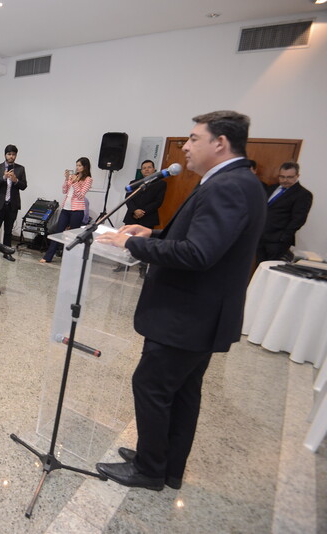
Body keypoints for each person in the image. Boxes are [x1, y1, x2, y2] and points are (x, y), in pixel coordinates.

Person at [94, 110, 266, 491]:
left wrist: (131, 244)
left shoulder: (228, 186)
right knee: (183, 393)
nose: (185, 147)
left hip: (186, 315)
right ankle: (166, 465)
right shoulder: (239, 182)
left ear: (220, 143)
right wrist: (152, 233)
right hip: (201, 315)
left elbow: (198, 254)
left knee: (151, 386)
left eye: (193, 138)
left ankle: (149, 470)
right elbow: (204, 240)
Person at [118, 159, 167, 276]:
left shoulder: (161, 184)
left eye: (149, 167)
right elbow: (128, 198)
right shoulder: (134, 183)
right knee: (126, 239)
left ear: (154, 169)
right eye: (144, 168)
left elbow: (158, 202)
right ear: (141, 171)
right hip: (132, 216)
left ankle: (143, 267)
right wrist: (135, 210)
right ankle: (123, 264)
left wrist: (142, 211)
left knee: (145, 244)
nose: (146, 170)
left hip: (148, 217)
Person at [256, 161, 313, 263]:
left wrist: (283, 238)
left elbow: (298, 219)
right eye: (282, 177)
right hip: (261, 238)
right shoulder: (272, 188)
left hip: (277, 242)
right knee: (259, 267)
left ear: (297, 176)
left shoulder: (303, 194)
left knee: (272, 268)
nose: (285, 180)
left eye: (289, 177)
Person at [40, 157, 93, 263]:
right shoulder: (74, 176)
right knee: (58, 232)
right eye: (77, 165)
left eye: (80, 165)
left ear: (85, 166)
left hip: (77, 210)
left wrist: (75, 182)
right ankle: (48, 257)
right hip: (66, 208)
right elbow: (64, 191)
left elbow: (81, 195)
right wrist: (66, 179)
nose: (77, 167)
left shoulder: (88, 179)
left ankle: (70, 259)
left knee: (73, 235)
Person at [0, 144, 27, 261]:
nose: (11, 156)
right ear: (5, 155)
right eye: (9, 154)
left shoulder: (20, 169)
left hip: (12, 205)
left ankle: (7, 252)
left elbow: (24, 186)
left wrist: (16, 180)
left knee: (8, 231)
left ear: (16, 156)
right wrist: (3, 178)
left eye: (13, 154)